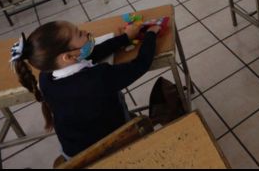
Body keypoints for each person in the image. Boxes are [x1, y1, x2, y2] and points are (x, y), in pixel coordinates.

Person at [10, 19, 163, 159]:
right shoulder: (97, 78)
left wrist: (125, 38)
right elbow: (140, 64)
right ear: (68, 57)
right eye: (79, 33)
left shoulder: (45, 77)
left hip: (73, 151)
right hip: (109, 147)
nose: (85, 32)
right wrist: (151, 34)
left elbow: (92, 54)